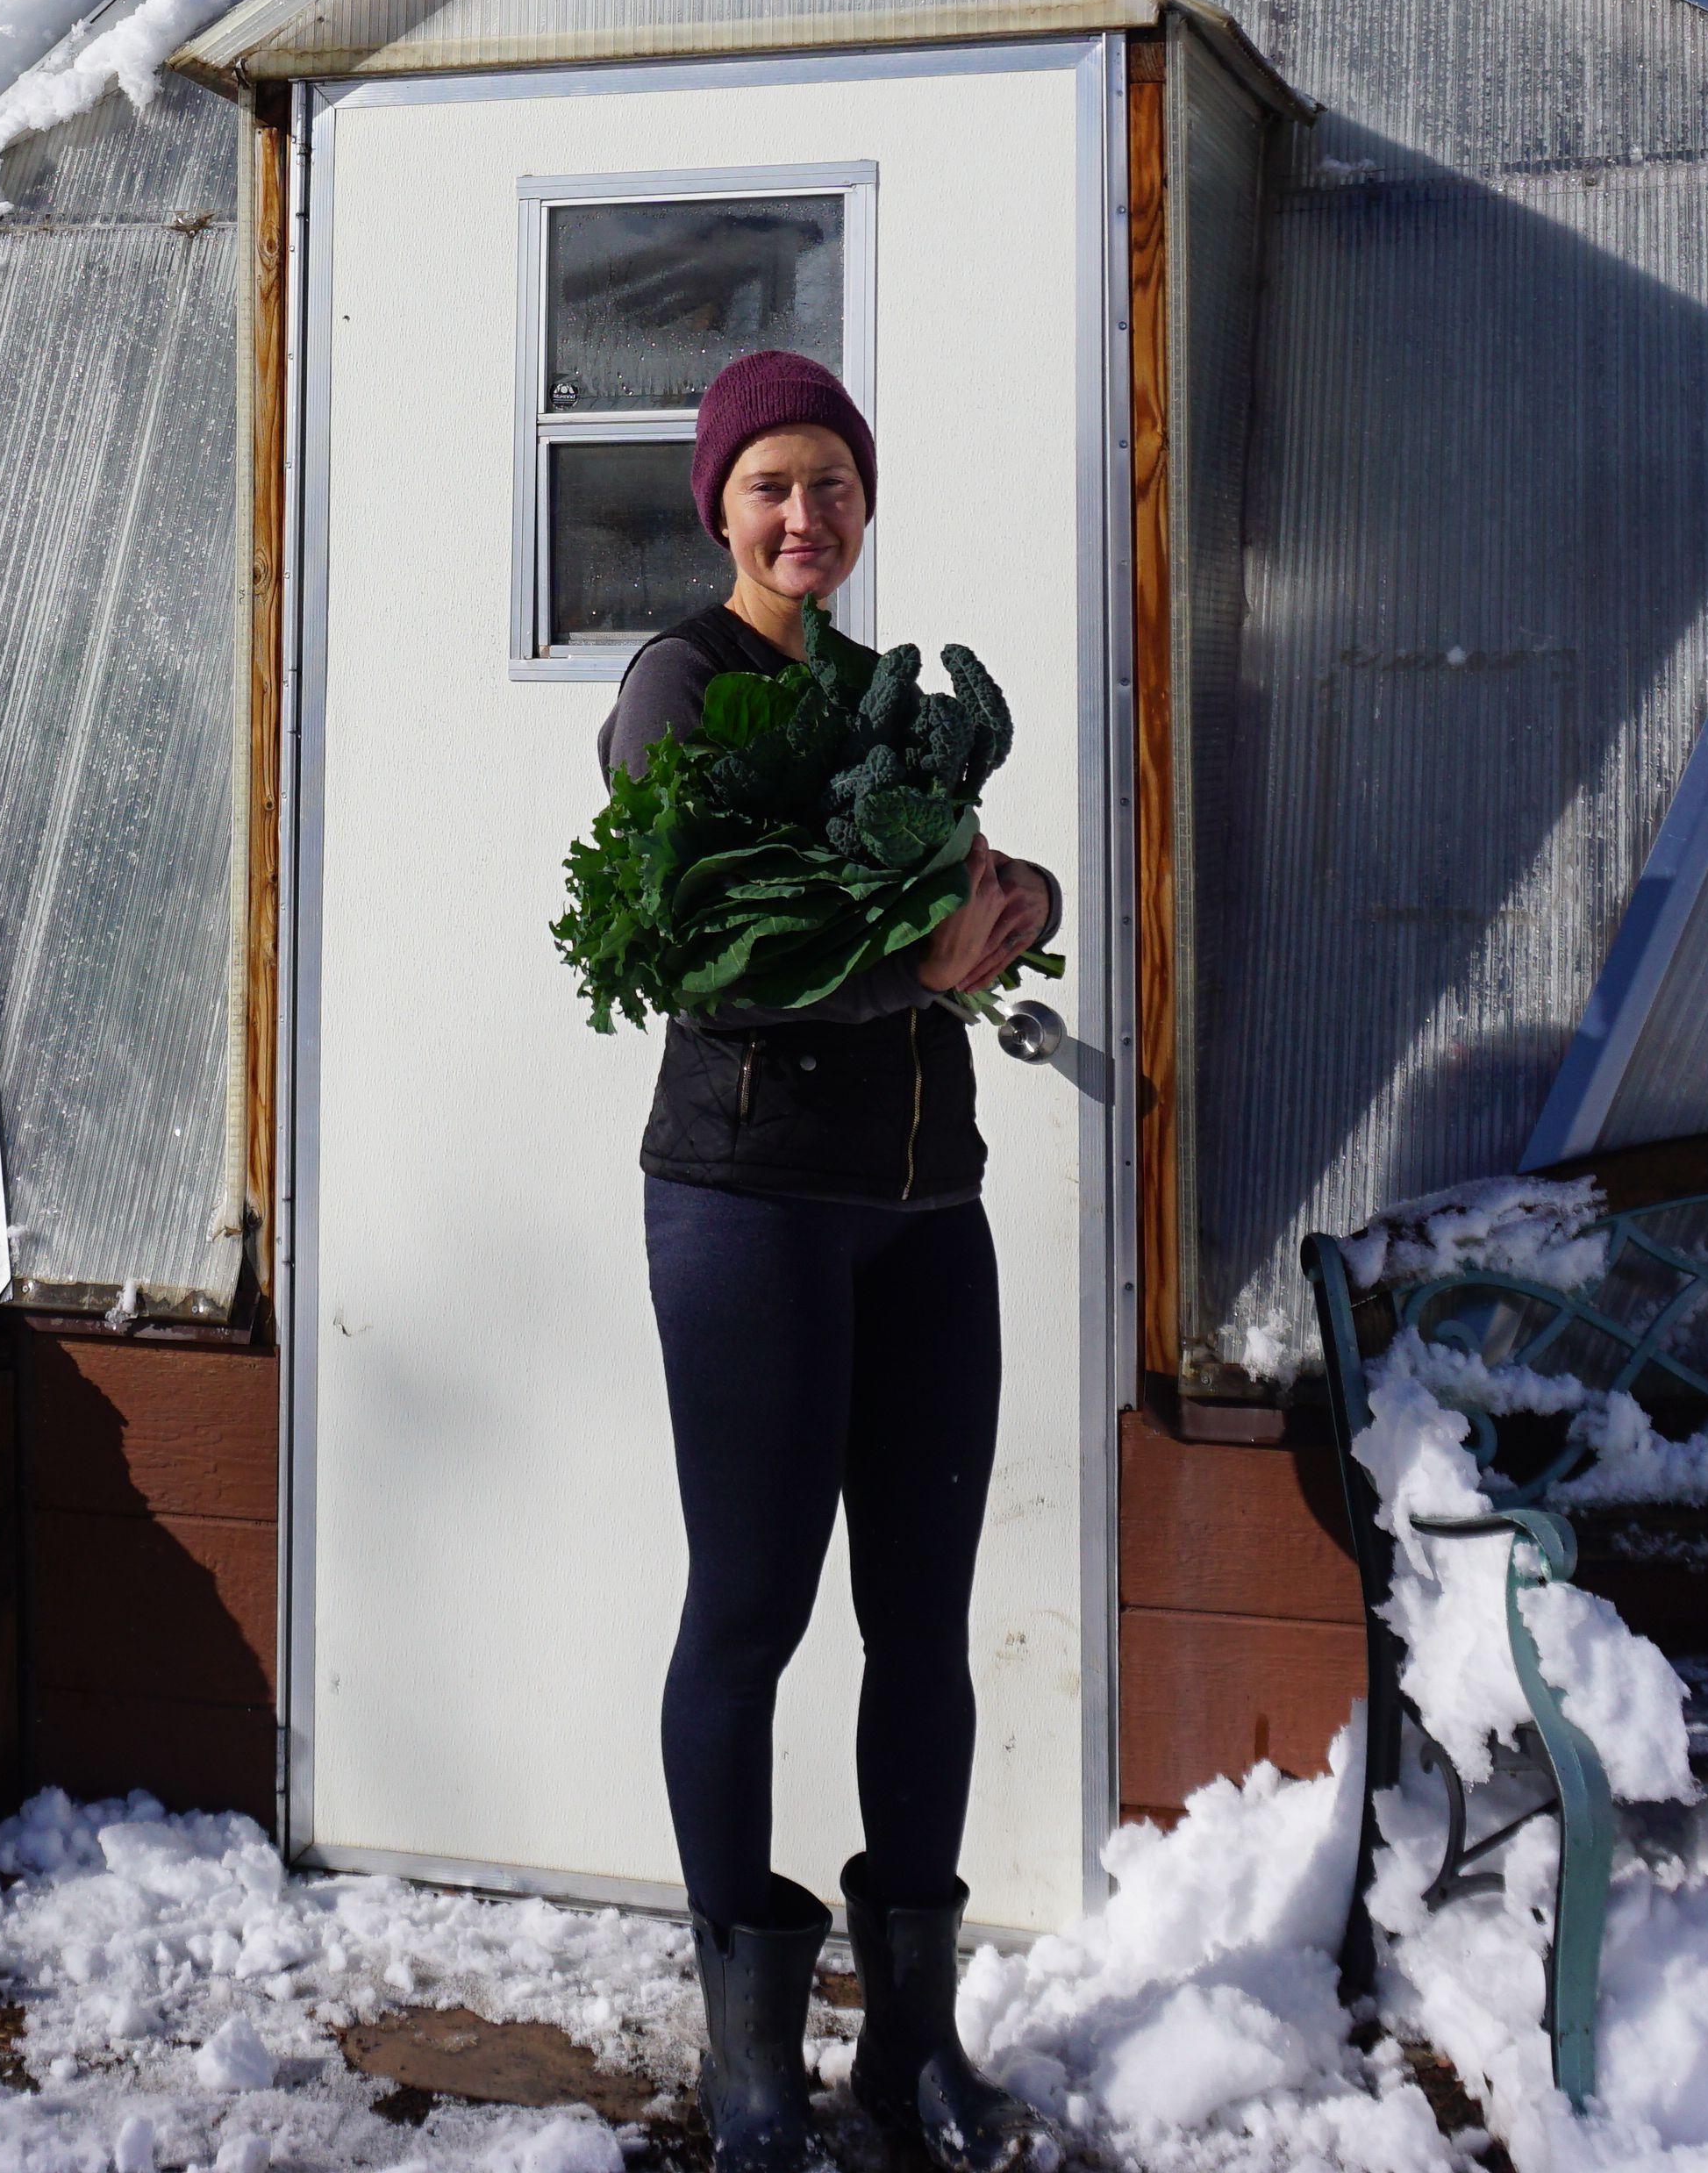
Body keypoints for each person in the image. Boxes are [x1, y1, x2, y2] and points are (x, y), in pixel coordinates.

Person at [601, 347, 1064, 2173]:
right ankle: (751, 2064)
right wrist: (913, 966)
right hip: (751, 1201)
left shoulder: (886, 691)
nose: (810, 515)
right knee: (751, 1611)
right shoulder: (679, 684)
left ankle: (913, 2045)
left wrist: (1007, 897)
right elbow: (701, 941)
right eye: (775, 483)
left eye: (836, 484)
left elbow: (938, 885)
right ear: (721, 501)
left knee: (921, 1620)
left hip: (924, 1204)